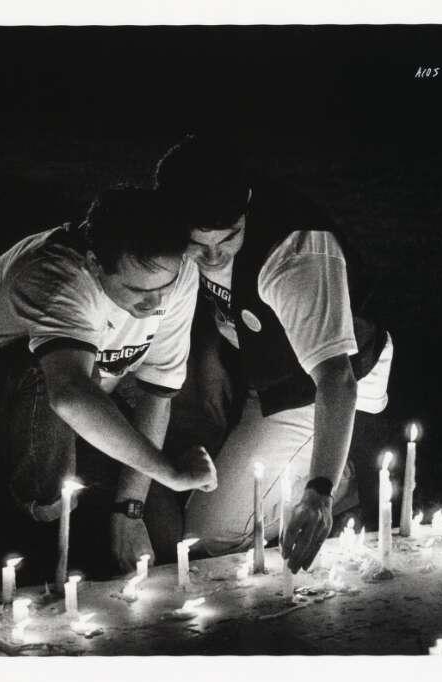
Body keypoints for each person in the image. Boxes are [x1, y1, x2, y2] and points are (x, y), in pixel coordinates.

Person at [0, 187, 217, 574]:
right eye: (136, 290)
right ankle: (39, 524)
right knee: (54, 375)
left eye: (164, 288)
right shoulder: (57, 275)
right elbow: (69, 393)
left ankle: (75, 521)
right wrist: (170, 472)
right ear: (95, 263)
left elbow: (157, 394)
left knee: (160, 533)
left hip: (79, 400)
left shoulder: (179, 272)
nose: (155, 304)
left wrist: (130, 510)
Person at [155, 136, 394, 572]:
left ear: (246, 205)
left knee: (210, 534)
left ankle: (345, 475)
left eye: (229, 238)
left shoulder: (293, 254)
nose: (213, 256)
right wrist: (207, 359)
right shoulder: (168, 229)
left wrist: (319, 491)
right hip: (260, 372)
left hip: (319, 388)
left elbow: (336, 377)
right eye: (197, 244)